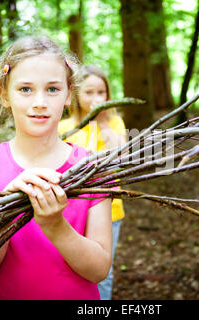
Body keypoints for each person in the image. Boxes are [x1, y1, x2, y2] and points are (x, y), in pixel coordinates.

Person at [0, 36, 112, 300]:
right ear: (4, 93)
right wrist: (4, 212)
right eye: (25, 89)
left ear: (68, 93)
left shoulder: (92, 168)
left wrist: (55, 226)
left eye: (52, 89)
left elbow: (98, 270)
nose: (40, 101)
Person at [58, 65, 127, 300]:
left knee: (102, 271)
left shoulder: (115, 123)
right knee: (72, 265)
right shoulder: (64, 128)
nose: (96, 99)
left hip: (110, 209)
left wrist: (103, 122)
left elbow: (121, 157)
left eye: (101, 92)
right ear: (76, 94)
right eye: (89, 92)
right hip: (71, 210)